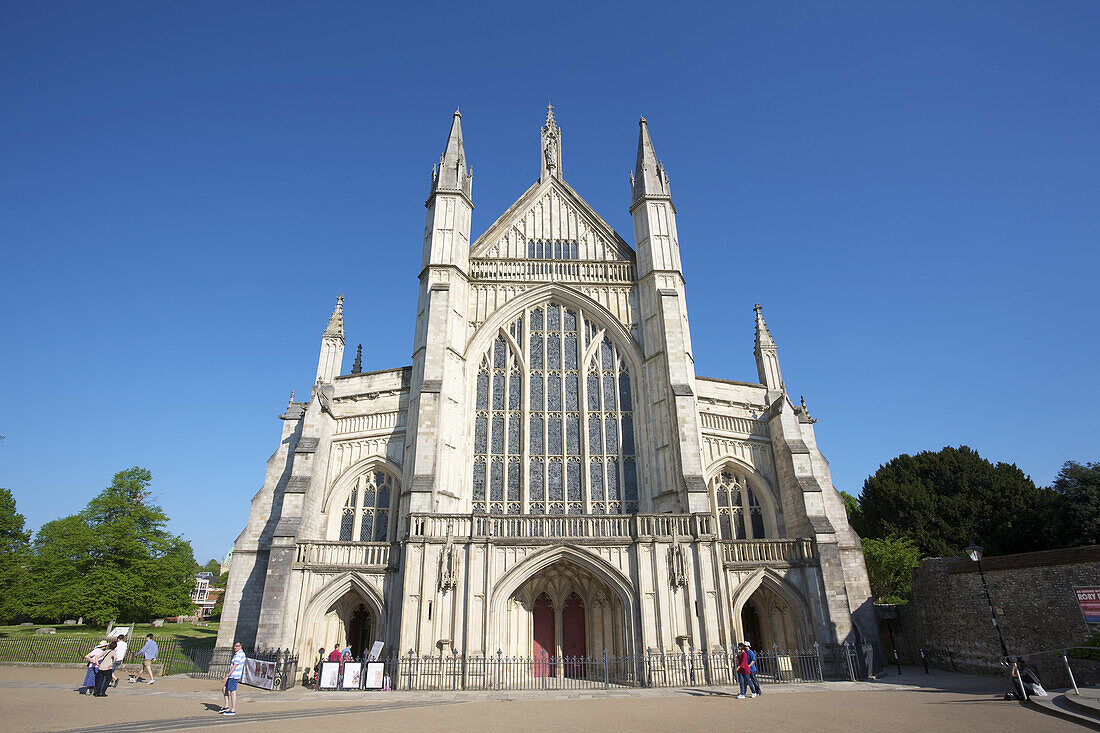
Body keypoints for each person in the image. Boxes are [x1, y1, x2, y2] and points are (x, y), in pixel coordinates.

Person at [220, 641, 246, 716]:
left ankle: (233, 709)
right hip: (233, 675)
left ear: (240, 647)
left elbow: (234, 666)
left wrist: (227, 676)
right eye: (235, 646)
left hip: (234, 675)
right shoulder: (238, 654)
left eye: (236, 646)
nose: (235, 647)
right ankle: (226, 706)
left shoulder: (239, 655)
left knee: (232, 691)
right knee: (224, 689)